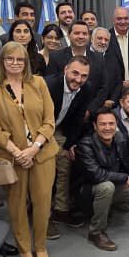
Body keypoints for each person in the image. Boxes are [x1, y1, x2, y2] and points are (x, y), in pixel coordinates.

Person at [0, 41, 59, 257]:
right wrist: (18, 153)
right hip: (11, 157)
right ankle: (24, 248)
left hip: (42, 153)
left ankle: (40, 245)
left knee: (43, 202)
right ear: (2, 61)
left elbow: (49, 121)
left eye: (20, 59)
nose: (15, 63)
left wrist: (33, 148)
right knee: (16, 205)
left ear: (26, 62)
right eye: (10, 59)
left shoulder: (38, 83)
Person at [77, 111, 129, 251]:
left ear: (116, 125)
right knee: (107, 187)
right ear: (95, 126)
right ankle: (96, 232)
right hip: (88, 190)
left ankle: (104, 208)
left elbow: (128, 163)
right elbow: (96, 175)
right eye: (102, 124)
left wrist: (126, 176)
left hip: (112, 185)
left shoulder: (122, 139)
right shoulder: (86, 144)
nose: (107, 128)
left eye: (111, 124)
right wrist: (123, 177)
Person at [47, 56, 95, 234]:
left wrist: (70, 145)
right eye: (75, 73)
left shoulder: (86, 88)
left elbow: (78, 118)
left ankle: (60, 209)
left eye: (84, 76)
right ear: (65, 70)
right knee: (44, 170)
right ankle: (42, 215)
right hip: (37, 131)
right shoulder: (49, 85)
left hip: (59, 129)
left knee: (66, 161)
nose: (79, 79)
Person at [47, 21, 105, 109]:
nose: (81, 36)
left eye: (84, 34)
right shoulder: (56, 57)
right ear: (69, 35)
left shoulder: (99, 58)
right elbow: (50, 86)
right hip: (62, 110)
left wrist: (90, 110)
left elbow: (103, 87)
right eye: (77, 33)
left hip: (91, 111)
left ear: (89, 36)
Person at [90, 26, 121, 110]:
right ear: (92, 39)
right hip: (89, 106)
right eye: (99, 38)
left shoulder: (113, 58)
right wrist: (99, 102)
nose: (103, 42)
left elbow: (118, 82)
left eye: (106, 40)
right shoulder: (84, 55)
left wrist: (113, 100)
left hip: (109, 106)